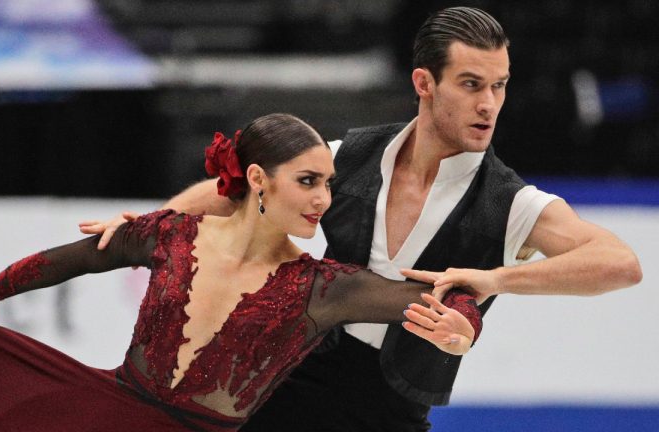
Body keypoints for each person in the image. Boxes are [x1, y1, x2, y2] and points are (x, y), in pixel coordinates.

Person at [83, 7, 642, 432]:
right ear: (425, 84)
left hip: (389, 412)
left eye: (499, 86)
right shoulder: (353, 156)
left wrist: (496, 279)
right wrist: (154, 223)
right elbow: (244, 188)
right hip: (290, 378)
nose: (489, 104)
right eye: (471, 84)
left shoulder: (508, 202)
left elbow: (619, 263)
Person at [0, 113, 485, 432]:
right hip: (109, 415)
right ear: (258, 179)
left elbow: (440, 298)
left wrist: (463, 326)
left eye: (328, 184)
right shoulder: (173, 235)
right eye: (308, 181)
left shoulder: (324, 287)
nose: (323, 199)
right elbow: (71, 260)